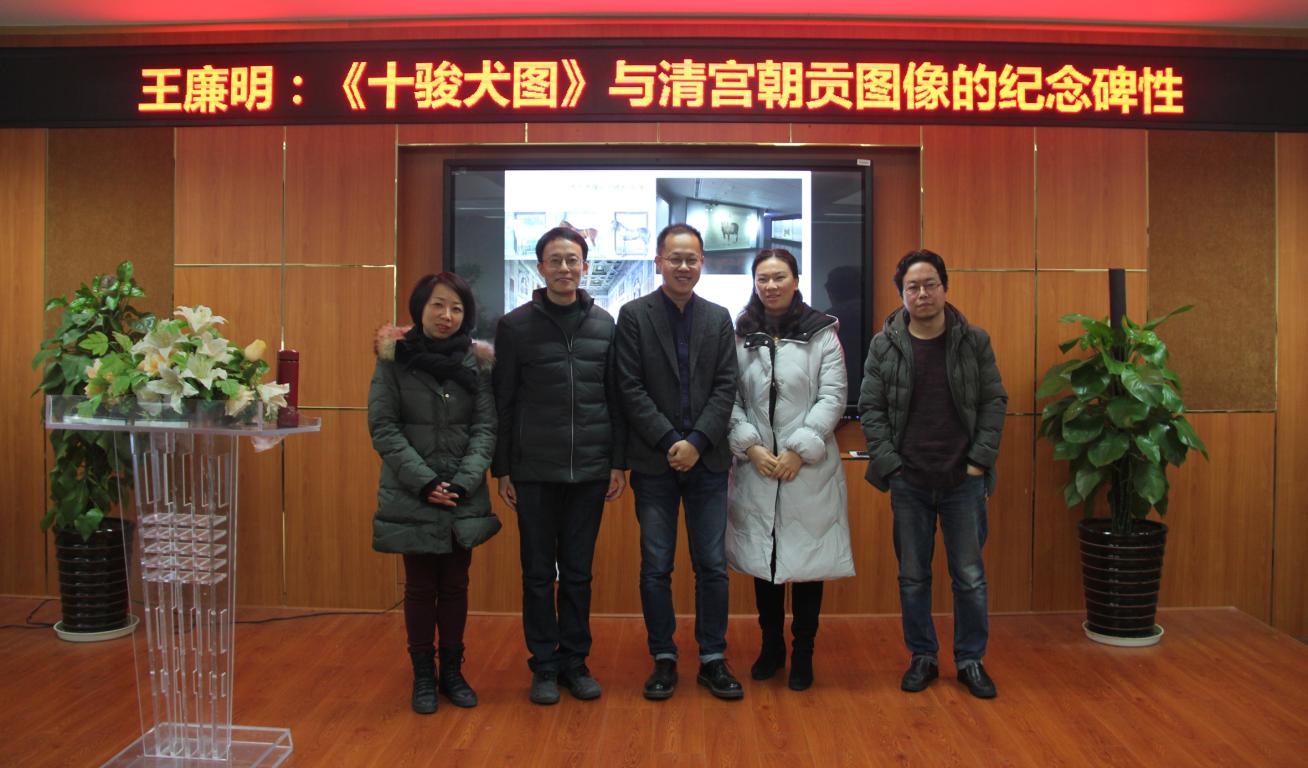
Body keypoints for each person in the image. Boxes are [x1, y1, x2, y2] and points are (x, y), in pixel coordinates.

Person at [858, 249, 1007, 699]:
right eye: (912, 287)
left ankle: (970, 660)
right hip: (910, 481)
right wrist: (891, 465)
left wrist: (979, 462)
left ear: (945, 287)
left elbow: (993, 401)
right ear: (902, 294)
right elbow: (870, 409)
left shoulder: (973, 341)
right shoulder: (884, 345)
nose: (922, 294)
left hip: (964, 480)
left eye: (930, 285)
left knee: (970, 577)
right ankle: (922, 656)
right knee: (913, 577)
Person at [492, 226, 627, 706]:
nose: (565, 268)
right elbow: (503, 401)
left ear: (585, 267)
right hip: (533, 471)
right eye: (555, 260)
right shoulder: (514, 326)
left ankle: (575, 662)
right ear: (541, 267)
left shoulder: (605, 324)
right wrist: (503, 469)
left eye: (573, 260)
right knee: (536, 574)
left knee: (578, 574)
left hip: (590, 470)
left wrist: (617, 463)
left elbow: (615, 398)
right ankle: (544, 665)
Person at [614, 223, 742, 701]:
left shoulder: (718, 317)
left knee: (712, 566)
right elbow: (629, 387)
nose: (683, 266)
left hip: (708, 463)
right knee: (656, 566)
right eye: (675, 258)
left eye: (692, 258)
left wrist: (698, 442)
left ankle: (712, 658)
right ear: (658, 262)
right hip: (655, 462)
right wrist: (672, 440)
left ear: (702, 262)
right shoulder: (633, 315)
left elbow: (726, 386)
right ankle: (663, 657)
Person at [368, 272, 500, 715]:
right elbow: (383, 426)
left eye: (457, 308)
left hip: (462, 492)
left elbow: (486, 428)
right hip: (413, 491)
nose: (447, 315)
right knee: (421, 587)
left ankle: (453, 672)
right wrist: (425, 482)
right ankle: (423, 673)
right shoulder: (393, 359)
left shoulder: (477, 363)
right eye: (438, 305)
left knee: (456, 585)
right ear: (420, 308)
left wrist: (462, 482)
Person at [726, 249, 855, 692]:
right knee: (764, 560)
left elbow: (833, 397)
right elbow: (729, 397)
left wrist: (799, 450)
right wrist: (751, 446)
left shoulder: (823, 334)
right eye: (763, 278)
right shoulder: (741, 335)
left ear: (796, 280)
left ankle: (803, 652)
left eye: (779, 277)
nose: (771, 286)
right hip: (757, 465)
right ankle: (771, 647)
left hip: (808, 469)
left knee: (806, 562)